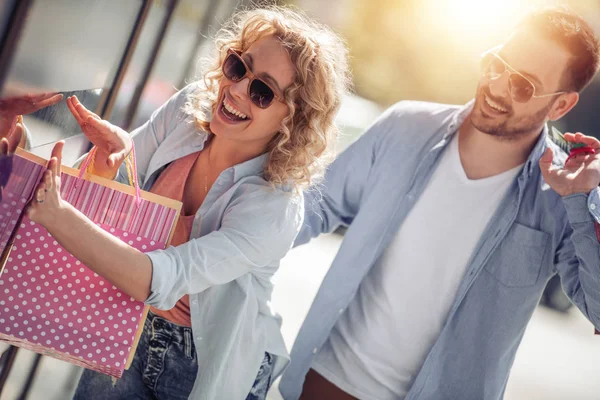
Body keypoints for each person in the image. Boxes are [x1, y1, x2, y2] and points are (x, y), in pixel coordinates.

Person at [19, 6, 349, 400]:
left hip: (204, 359)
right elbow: (111, 195)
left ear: (291, 121)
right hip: (132, 321)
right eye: (238, 67)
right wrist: (106, 168)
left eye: (263, 91)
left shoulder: (275, 208)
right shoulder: (191, 109)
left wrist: (58, 215)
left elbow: (160, 278)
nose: (239, 89)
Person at [279, 6, 600, 400]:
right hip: (328, 383)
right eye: (497, 63)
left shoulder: (562, 202)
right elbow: (309, 209)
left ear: (560, 106)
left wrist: (585, 205)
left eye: (523, 86)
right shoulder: (404, 127)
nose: (498, 86)